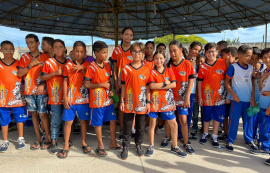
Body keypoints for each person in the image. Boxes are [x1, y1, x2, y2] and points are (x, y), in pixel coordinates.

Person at [146, 50, 185, 157]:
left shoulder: (169, 70)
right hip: (154, 102)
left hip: (167, 103)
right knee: (152, 124)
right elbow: (151, 87)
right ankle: (151, 145)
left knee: (174, 124)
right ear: (153, 60)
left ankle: (175, 146)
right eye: (156, 58)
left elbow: (173, 85)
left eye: (161, 58)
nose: (158, 60)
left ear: (164, 59)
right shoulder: (151, 72)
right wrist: (165, 83)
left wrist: (159, 85)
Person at [85, 41, 120, 157]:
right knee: (98, 123)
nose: (106, 55)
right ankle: (100, 145)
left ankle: (113, 142)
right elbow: (87, 84)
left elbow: (108, 82)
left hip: (107, 99)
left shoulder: (108, 66)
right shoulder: (91, 67)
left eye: (107, 52)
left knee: (113, 120)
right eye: (104, 53)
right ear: (96, 53)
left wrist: (110, 90)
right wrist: (101, 85)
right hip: (97, 101)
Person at [56, 41, 91, 159]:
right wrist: (65, 97)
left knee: (83, 121)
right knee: (68, 122)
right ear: (72, 52)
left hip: (83, 100)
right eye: (77, 51)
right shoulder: (67, 65)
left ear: (85, 53)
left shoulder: (88, 65)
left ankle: (84, 142)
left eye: (81, 51)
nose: (79, 54)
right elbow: (65, 81)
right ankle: (66, 145)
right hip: (70, 99)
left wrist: (83, 69)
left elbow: (91, 79)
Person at [17, 34, 51, 150]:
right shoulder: (24, 58)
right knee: (34, 115)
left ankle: (48, 138)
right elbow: (20, 74)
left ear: (38, 43)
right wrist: (30, 65)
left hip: (42, 91)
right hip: (28, 92)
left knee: (43, 114)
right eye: (27, 43)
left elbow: (49, 76)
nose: (29, 45)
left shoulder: (46, 57)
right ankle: (38, 138)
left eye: (31, 42)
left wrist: (43, 85)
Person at [120, 42, 150, 160]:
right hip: (128, 101)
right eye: (135, 51)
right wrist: (122, 101)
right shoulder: (126, 68)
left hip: (142, 102)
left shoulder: (147, 69)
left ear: (143, 54)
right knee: (127, 125)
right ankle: (125, 146)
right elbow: (123, 86)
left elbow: (148, 87)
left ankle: (138, 145)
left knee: (140, 125)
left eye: (140, 52)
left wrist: (148, 102)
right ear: (131, 53)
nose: (137, 54)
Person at [225, 45, 258, 153]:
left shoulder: (250, 68)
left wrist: (252, 98)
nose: (250, 58)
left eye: (251, 55)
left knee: (248, 121)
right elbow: (227, 82)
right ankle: (230, 140)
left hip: (248, 101)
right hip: (237, 100)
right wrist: (233, 94)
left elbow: (252, 84)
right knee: (233, 121)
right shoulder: (233, 67)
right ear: (239, 55)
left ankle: (249, 140)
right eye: (248, 56)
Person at [41, 39, 70, 154]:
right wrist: (55, 73)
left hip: (67, 96)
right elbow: (42, 78)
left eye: (61, 47)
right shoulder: (49, 62)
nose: (58, 49)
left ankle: (66, 139)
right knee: (56, 120)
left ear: (64, 48)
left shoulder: (68, 62)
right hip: (55, 97)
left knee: (66, 119)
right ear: (52, 49)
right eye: (56, 47)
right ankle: (54, 141)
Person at [197, 43, 228, 148]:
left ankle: (214, 135)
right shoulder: (202, 66)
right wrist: (200, 97)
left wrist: (228, 95)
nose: (211, 54)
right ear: (205, 53)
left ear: (217, 52)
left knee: (217, 117)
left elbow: (229, 79)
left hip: (220, 97)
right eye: (208, 52)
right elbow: (199, 82)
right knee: (206, 117)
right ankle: (205, 133)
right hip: (207, 97)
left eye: (213, 51)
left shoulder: (223, 63)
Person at [167, 40, 195, 154]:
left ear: (181, 50)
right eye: (170, 51)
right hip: (170, 99)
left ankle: (186, 142)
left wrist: (187, 97)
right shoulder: (168, 65)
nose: (173, 54)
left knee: (183, 121)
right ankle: (168, 138)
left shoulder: (187, 64)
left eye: (175, 51)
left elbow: (191, 82)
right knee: (169, 120)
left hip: (183, 99)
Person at [0, 41, 28, 152]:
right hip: (3, 98)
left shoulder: (19, 64)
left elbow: (26, 79)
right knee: (4, 120)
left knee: (19, 119)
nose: (8, 51)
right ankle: (5, 140)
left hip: (18, 98)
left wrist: (24, 89)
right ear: (1, 50)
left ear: (14, 50)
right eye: (5, 49)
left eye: (11, 49)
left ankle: (21, 138)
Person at [112, 27, 134, 139]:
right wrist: (116, 83)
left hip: (133, 83)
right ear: (122, 35)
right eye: (126, 34)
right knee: (122, 105)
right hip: (121, 83)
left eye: (130, 35)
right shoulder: (116, 50)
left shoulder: (135, 49)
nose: (128, 37)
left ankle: (132, 129)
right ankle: (121, 129)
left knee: (132, 105)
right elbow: (115, 68)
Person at [181, 41, 202, 140]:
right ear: (189, 48)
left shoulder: (195, 63)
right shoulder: (183, 61)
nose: (196, 52)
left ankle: (186, 134)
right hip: (182, 91)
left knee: (189, 114)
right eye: (195, 49)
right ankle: (179, 134)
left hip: (192, 92)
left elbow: (196, 79)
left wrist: (197, 92)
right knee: (182, 114)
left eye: (198, 50)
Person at [218, 47, 238, 141]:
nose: (221, 58)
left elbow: (228, 82)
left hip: (231, 95)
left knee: (229, 116)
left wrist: (227, 96)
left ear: (229, 54)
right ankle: (226, 132)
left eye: (222, 55)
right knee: (225, 115)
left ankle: (228, 134)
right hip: (228, 94)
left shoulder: (234, 66)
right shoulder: (227, 65)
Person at [257, 48, 270, 165]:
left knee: (267, 128)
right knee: (263, 127)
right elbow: (261, 89)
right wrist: (261, 80)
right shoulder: (265, 71)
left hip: (268, 107)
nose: (267, 60)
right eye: (265, 57)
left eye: (269, 57)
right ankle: (264, 146)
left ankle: (266, 146)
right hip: (262, 104)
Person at [191, 54, 205, 136]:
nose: (199, 63)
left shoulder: (206, 70)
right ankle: (194, 127)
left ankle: (203, 128)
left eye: (201, 61)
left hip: (204, 95)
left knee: (203, 113)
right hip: (195, 96)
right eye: (198, 61)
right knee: (195, 113)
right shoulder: (194, 70)